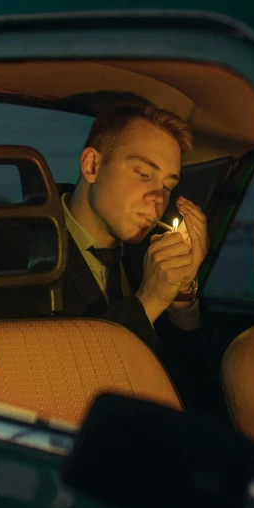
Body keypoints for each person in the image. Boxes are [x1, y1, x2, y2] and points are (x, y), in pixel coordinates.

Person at [58, 93, 209, 357]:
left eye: (168, 186)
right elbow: (48, 374)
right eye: (143, 174)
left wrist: (181, 291)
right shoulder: (18, 249)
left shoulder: (148, 255)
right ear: (92, 166)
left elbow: (188, 381)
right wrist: (150, 300)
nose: (158, 198)